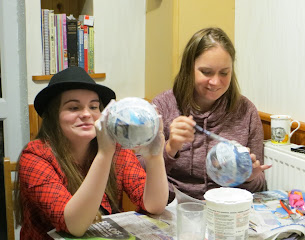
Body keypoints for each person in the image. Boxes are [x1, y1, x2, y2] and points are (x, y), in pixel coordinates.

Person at [14, 67, 168, 239]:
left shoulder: (116, 150)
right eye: (74, 107)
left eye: (94, 106)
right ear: (53, 116)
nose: (87, 114)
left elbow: (154, 205)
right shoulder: (35, 157)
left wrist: (155, 156)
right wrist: (104, 154)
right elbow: (75, 225)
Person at [150, 27, 271, 202]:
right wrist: (171, 148)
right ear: (188, 69)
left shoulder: (246, 111)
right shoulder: (163, 106)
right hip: (172, 206)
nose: (215, 82)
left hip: (225, 207)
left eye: (224, 73)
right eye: (206, 72)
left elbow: (258, 185)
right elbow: (142, 172)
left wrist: (249, 177)